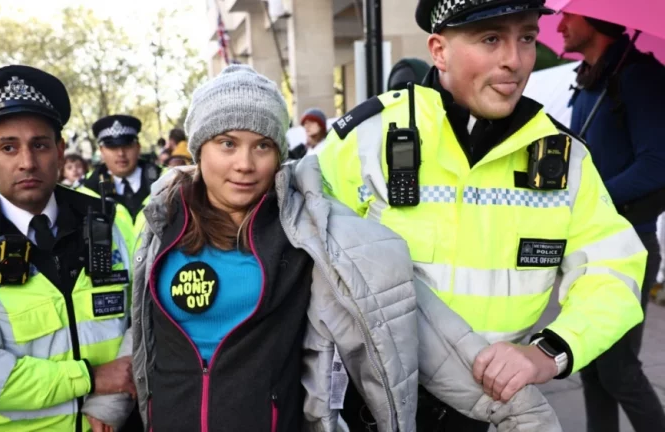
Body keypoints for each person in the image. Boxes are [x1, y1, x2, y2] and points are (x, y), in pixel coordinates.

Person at [115, 64, 562, 432]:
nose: (245, 164)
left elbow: (412, 323)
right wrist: (106, 407)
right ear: (199, 149)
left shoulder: (314, 234)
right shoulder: (160, 223)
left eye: (263, 146)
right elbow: (142, 330)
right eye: (226, 143)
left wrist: (523, 414)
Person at [317, 0, 647, 430]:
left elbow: (614, 269)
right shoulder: (366, 139)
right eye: (491, 39)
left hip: (489, 410)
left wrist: (549, 352)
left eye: (526, 38)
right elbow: (298, 253)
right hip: (372, 409)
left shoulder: (565, 160)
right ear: (438, 50)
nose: (514, 60)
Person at [0, 65, 140, 432]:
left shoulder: (110, 217)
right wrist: (88, 379)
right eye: (8, 147)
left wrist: (113, 400)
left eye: (39, 144)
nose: (27, 161)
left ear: (59, 150)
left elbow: (148, 317)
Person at [558, 12, 665, 432]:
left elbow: (658, 164)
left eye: (569, 15)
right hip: (585, 246)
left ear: (597, 19)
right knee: (589, 364)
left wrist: (595, 199)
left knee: (619, 369)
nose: (561, 23)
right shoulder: (589, 80)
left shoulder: (637, 77)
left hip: (627, 245)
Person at [80, 115, 162, 257]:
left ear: (138, 147)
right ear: (101, 150)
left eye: (127, 145)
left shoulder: (167, 182)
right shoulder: (85, 192)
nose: (121, 153)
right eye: (112, 147)